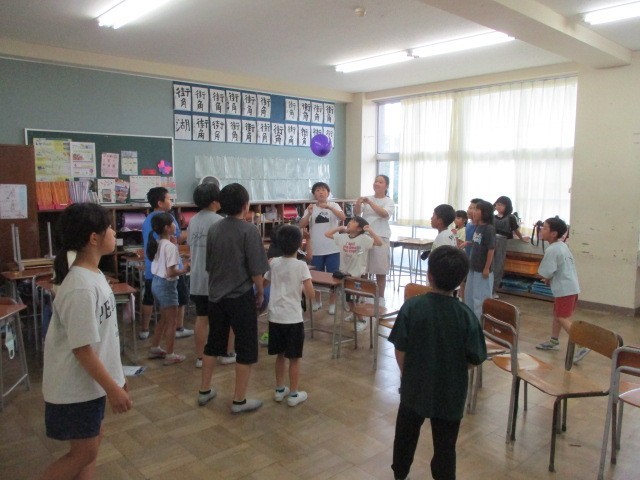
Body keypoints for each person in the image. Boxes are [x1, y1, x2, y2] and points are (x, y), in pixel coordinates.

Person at [41, 203, 132, 479]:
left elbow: (104, 339)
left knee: (91, 446)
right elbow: (82, 350)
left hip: (89, 385)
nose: (114, 232)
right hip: (74, 388)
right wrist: (113, 388)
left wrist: (116, 377)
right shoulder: (80, 286)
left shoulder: (94, 275)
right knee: (83, 453)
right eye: (109, 228)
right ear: (94, 238)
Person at [389, 246, 487, 480]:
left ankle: (400, 474)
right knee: (445, 447)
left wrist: (407, 373)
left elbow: (400, 348)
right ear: (461, 280)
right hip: (450, 392)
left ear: (429, 275)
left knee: (405, 437)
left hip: (414, 387)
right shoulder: (467, 316)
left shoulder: (412, 307)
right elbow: (474, 358)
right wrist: (452, 368)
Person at [198, 183, 269, 413]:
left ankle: (204, 390)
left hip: (215, 297)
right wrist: (260, 291)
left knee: (213, 343)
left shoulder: (214, 229)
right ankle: (239, 400)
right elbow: (256, 270)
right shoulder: (249, 231)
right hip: (240, 297)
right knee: (246, 347)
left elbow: (209, 265)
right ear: (246, 205)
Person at [263, 225, 315, 407]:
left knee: (280, 355)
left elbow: (264, 283)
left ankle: (279, 390)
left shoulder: (274, 263)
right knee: (294, 358)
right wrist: (299, 287)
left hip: (275, 317)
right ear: (299, 244)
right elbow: (311, 294)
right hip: (293, 318)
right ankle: (293, 393)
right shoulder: (301, 266)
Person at [188, 183, 236, 368]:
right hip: (218, 280)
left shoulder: (193, 220)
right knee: (228, 318)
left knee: (202, 318)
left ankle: (200, 357)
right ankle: (227, 353)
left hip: (197, 278)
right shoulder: (219, 221)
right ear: (216, 201)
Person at [139, 186, 193, 340]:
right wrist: (190, 231)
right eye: (169, 199)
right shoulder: (167, 218)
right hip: (170, 268)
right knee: (180, 298)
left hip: (152, 267)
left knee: (148, 298)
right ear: (160, 202)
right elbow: (178, 238)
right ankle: (178, 328)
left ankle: (144, 330)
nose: (171, 201)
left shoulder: (147, 219)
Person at [535, 217, 589, 363]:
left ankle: (583, 344)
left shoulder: (552, 249)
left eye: (545, 228)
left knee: (561, 318)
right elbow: (556, 268)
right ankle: (554, 341)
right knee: (557, 315)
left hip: (565, 290)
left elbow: (547, 271)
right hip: (569, 288)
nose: (541, 230)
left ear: (553, 234)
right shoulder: (562, 246)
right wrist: (548, 278)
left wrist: (546, 277)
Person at [325, 216, 383, 331]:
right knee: (349, 299)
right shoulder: (343, 237)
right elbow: (327, 234)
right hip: (344, 273)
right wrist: (339, 228)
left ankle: (361, 320)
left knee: (352, 299)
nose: (350, 222)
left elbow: (379, 243)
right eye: (350, 220)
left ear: (359, 228)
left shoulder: (363, 238)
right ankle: (354, 313)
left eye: (353, 222)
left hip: (356, 275)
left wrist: (370, 231)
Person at [146, 213, 189, 365]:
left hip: (156, 283)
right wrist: (184, 269)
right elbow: (171, 272)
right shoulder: (169, 247)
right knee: (172, 321)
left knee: (164, 318)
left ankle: (155, 348)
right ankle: (170, 355)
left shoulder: (158, 243)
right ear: (167, 228)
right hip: (167, 285)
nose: (176, 225)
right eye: (173, 223)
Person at [298, 181, 346, 315]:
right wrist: (309, 213)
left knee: (333, 277)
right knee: (316, 276)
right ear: (314, 194)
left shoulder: (334, 205)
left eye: (323, 190)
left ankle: (332, 303)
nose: (321, 192)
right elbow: (301, 224)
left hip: (333, 248)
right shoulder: (311, 207)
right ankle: (317, 301)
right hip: (316, 248)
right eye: (318, 190)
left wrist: (329, 207)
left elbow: (343, 217)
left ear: (328, 193)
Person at [355, 174, 395, 305]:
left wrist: (370, 203)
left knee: (380, 270)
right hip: (365, 237)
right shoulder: (368, 198)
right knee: (363, 269)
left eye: (380, 182)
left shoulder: (388, 201)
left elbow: (384, 214)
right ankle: (364, 295)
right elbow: (357, 213)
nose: (376, 183)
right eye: (376, 181)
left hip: (381, 237)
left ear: (386, 186)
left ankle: (380, 298)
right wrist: (358, 203)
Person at [464, 199, 496, 320]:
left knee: (480, 299)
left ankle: (480, 324)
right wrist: (468, 243)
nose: (474, 211)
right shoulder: (478, 227)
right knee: (469, 296)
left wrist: (486, 268)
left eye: (477, 209)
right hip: (473, 267)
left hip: (482, 269)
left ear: (485, 213)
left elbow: (491, 249)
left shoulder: (489, 229)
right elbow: (477, 242)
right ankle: (470, 321)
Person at [492, 196, 529, 295]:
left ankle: (493, 290)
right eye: (497, 204)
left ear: (507, 206)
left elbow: (515, 229)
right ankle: (487, 289)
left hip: (502, 242)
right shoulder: (492, 217)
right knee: (490, 265)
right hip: (491, 240)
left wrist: (521, 238)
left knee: (498, 266)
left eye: (502, 205)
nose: (499, 207)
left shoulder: (510, 217)